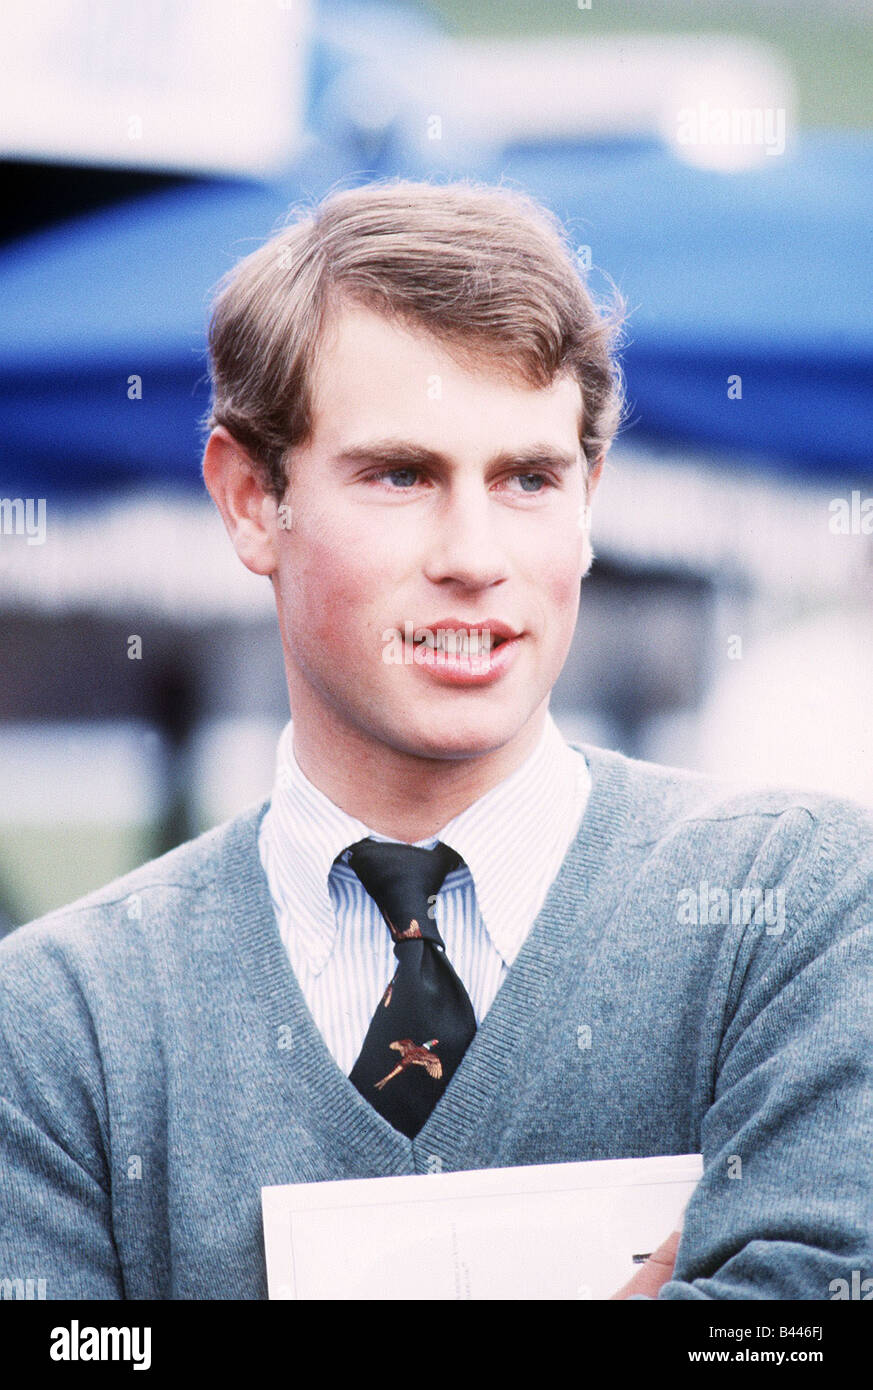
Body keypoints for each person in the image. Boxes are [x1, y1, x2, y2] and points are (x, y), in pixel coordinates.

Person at [0, 180, 870, 1301]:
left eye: (529, 479)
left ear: (590, 500)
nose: (475, 552)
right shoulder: (54, 1024)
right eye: (401, 475)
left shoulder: (799, 909)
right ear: (250, 502)